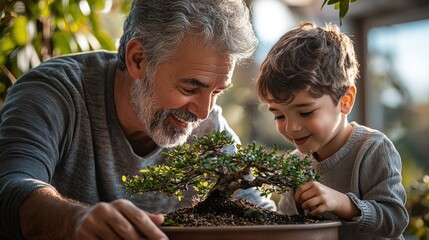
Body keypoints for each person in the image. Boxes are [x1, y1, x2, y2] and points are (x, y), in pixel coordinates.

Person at [0, 0, 276, 239]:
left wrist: (313, 204)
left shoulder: (209, 127)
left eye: (216, 91)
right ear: (138, 59)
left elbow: (263, 218)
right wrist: (74, 221)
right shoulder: (55, 93)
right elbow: (10, 187)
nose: (203, 112)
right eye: (190, 88)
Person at [255, 21, 409, 240]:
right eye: (279, 115)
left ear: (345, 100)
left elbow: (395, 220)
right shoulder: (294, 163)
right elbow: (287, 223)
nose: (291, 127)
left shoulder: (372, 148)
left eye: (306, 112)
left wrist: (344, 204)